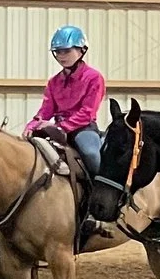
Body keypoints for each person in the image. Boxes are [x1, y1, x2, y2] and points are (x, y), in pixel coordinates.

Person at [26, 26, 107, 175]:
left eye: (67, 51)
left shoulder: (94, 78)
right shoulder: (54, 82)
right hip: (57, 128)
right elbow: (45, 110)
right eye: (58, 52)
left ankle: (102, 193)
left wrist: (62, 127)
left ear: (81, 50)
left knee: (91, 155)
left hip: (83, 129)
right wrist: (32, 125)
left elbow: (87, 112)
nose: (61, 56)